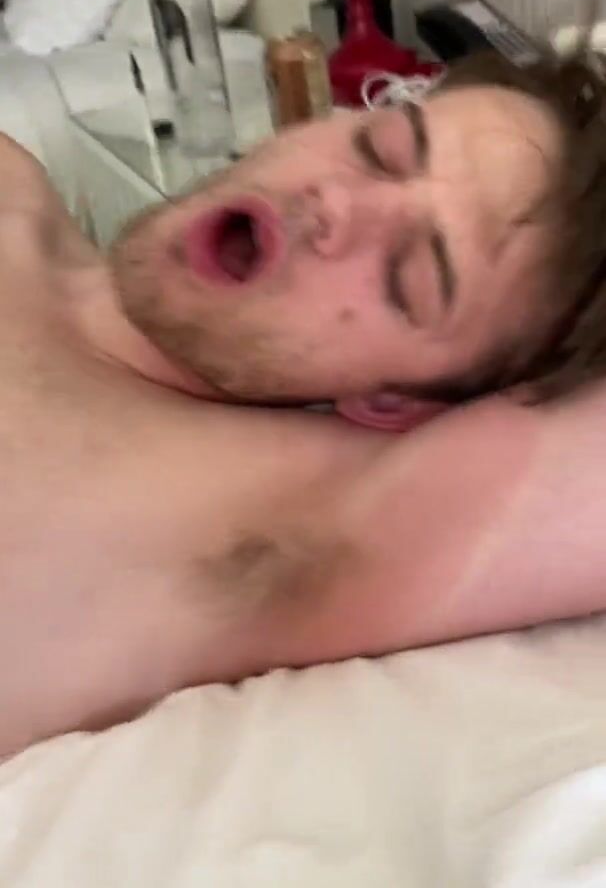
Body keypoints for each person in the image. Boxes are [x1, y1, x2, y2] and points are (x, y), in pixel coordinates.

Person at [3, 46, 606, 758]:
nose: (336, 206)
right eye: (380, 148)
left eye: (407, 279)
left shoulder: (266, 525)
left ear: (392, 405)